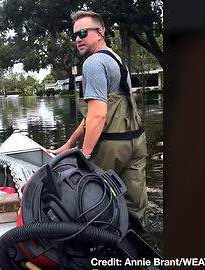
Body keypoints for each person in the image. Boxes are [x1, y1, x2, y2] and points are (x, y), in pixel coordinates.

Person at [48, 10, 148, 229]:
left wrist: (83, 155)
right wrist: (68, 144)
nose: (77, 39)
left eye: (83, 32)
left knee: (90, 197)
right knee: (134, 206)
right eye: (74, 35)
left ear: (100, 32)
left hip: (112, 146)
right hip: (136, 142)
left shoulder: (93, 63)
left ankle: (97, 244)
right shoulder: (117, 60)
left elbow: (98, 115)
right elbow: (97, 114)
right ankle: (134, 246)